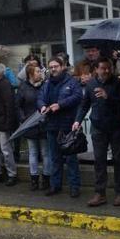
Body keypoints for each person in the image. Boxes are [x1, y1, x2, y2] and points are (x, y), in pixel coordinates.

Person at [74, 58, 120, 207]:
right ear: (96, 69)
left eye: (109, 68)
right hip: (98, 127)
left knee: (118, 160)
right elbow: (84, 105)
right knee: (99, 161)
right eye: (103, 68)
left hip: (116, 126)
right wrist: (77, 120)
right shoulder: (90, 84)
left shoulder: (119, 83)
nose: (107, 71)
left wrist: (108, 96)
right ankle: (100, 193)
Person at [37, 57, 82, 197]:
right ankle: (55, 185)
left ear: (62, 67)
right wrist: (42, 106)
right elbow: (40, 98)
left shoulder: (72, 81)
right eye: (50, 67)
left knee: (71, 159)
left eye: (56, 66)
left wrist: (60, 104)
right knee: (54, 158)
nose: (53, 69)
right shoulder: (47, 83)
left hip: (67, 125)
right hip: (52, 125)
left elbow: (78, 97)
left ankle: (74, 187)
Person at [16, 65, 48, 191]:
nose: (40, 73)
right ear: (30, 74)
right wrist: (23, 119)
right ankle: (34, 179)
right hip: (30, 123)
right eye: (37, 71)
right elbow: (17, 105)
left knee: (46, 152)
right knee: (33, 152)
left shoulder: (45, 85)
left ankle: (46, 178)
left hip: (44, 123)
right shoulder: (23, 87)